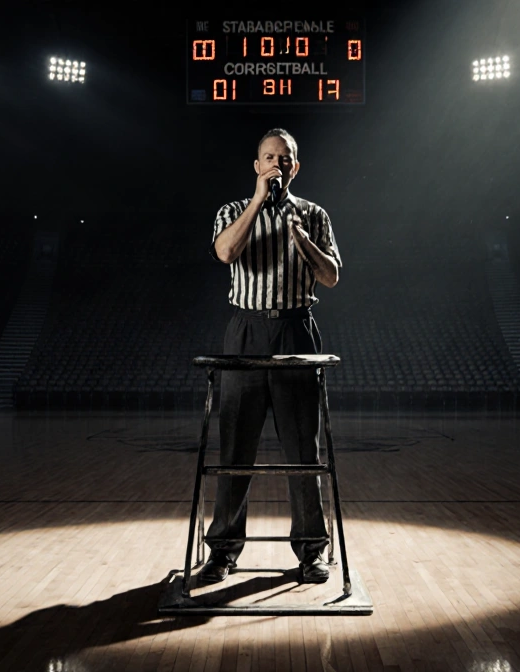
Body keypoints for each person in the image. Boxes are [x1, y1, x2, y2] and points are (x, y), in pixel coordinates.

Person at [201, 128, 343, 585]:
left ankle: (310, 551)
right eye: (268, 157)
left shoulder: (314, 214)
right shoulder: (230, 210)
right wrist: (257, 203)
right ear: (257, 166)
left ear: (295, 167)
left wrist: (302, 240)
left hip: (295, 327)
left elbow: (332, 276)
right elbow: (225, 251)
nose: (277, 165)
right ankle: (223, 550)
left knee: (304, 449)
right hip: (245, 330)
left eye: (285, 158)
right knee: (235, 449)